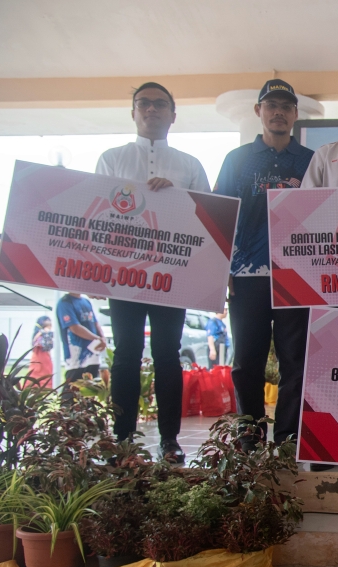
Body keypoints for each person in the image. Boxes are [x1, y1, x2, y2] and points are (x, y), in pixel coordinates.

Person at [96, 81, 210, 462]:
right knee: (126, 354)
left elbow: (208, 217)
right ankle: (123, 439)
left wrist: (175, 195)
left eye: (160, 104)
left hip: (171, 277)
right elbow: (99, 216)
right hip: (124, 275)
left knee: (167, 354)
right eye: (143, 103)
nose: (151, 109)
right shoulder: (111, 159)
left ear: (172, 116)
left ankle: (169, 440)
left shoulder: (189, 166)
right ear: (133, 112)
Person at [214, 79, 314, 448]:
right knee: (246, 362)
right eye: (271, 105)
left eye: (286, 107)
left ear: (295, 114)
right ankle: (249, 440)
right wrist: (221, 268)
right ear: (259, 111)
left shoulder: (311, 161)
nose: (278, 113)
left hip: (297, 276)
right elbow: (220, 215)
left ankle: (288, 440)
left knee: (295, 362)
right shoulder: (237, 160)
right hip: (246, 275)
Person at [56, 293, 107, 384]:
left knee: (92, 385)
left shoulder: (86, 301)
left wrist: (102, 338)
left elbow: (95, 322)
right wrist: (97, 338)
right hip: (76, 356)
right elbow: (74, 327)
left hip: (93, 354)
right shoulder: (65, 302)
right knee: (74, 386)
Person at [28, 315, 54, 387]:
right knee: (42, 377)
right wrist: (47, 333)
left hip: (39, 358)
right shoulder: (43, 334)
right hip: (42, 358)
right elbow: (47, 345)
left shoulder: (38, 334)